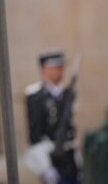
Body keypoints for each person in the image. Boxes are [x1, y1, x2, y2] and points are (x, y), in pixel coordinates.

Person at [24, 51, 79, 184]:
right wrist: (45, 168)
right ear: (44, 68)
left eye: (61, 67)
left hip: (69, 159)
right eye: (55, 67)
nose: (60, 71)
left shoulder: (66, 94)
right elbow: (35, 134)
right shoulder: (36, 96)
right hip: (51, 157)